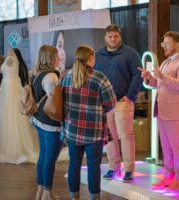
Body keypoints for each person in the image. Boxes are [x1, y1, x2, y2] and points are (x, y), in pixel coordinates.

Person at [139, 31, 179, 190]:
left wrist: (161, 76)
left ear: (177, 44)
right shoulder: (165, 62)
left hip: (176, 113)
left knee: (177, 147)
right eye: (163, 43)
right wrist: (148, 77)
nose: (164, 46)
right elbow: (158, 84)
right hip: (162, 111)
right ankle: (169, 176)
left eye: (167, 43)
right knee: (167, 147)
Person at [60, 45, 116, 200]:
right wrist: (98, 108)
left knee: (74, 165)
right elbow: (111, 103)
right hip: (94, 132)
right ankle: (94, 198)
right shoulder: (99, 77)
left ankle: (74, 197)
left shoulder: (66, 76)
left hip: (72, 130)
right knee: (93, 167)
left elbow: (59, 100)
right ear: (91, 58)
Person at [94, 24, 143, 182]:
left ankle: (129, 170)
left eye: (115, 36)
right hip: (104, 102)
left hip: (123, 102)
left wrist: (130, 96)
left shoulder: (130, 53)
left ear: (119, 36)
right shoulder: (98, 55)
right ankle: (113, 167)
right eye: (110, 36)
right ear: (105, 37)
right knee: (109, 137)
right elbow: (93, 76)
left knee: (126, 136)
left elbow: (138, 75)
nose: (113, 39)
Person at [0, 48, 38, 164]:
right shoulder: (17, 63)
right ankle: (17, 147)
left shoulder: (9, 61)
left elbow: (1, 71)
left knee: (8, 115)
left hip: (9, 90)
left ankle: (10, 148)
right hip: (13, 89)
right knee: (14, 115)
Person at [31, 45, 63, 200]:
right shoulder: (51, 77)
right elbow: (55, 101)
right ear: (51, 58)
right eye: (57, 55)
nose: (59, 58)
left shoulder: (38, 74)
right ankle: (47, 193)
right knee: (50, 158)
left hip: (39, 120)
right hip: (50, 122)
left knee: (43, 157)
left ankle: (40, 191)